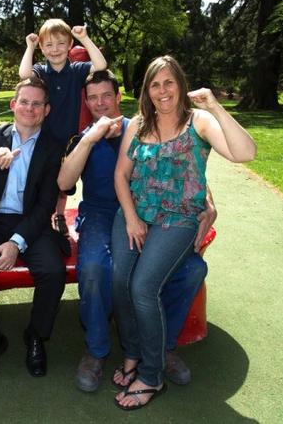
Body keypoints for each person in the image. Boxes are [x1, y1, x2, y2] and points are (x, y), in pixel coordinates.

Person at [112, 56, 256, 411]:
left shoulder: (199, 121)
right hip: (136, 211)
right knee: (120, 279)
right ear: (147, 89)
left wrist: (216, 106)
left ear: (180, 84)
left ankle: (152, 373)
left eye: (169, 83)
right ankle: (131, 352)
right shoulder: (138, 125)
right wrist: (131, 218)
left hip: (177, 219)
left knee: (144, 287)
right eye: (155, 84)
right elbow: (120, 176)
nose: (162, 91)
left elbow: (245, 153)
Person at [57, 70, 214, 393]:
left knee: (193, 270)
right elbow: (63, 182)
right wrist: (91, 137)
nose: (100, 103)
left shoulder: (144, 128)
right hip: (101, 215)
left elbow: (183, 165)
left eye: (106, 96)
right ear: (86, 102)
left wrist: (209, 202)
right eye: (93, 98)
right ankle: (97, 350)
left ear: (118, 97)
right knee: (95, 269)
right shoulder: (82, 138)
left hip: (149, 212)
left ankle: (161, 346)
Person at [0, 77, 67, 385]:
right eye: (24, 102)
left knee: (52, 271)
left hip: (31, 221)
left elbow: (46, 204)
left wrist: (16, 243)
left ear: (46, 110)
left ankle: (36, 336)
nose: (29, 109)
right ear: (13, 105)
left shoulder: (53, 145)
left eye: (37, 104)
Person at [19, 18, 107, 234]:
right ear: (42, 48)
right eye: (48, 45)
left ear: (69, 45)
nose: (55, 49)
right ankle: (40, 215)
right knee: (42, 177)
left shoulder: (77, 70)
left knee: (63, 183)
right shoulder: (40, 70)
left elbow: (101, 65)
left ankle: (59, 215)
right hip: (44, 135)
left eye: (60, 43)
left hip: (68, 137)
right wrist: (29, 47)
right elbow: (24, 74)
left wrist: (84, 39)